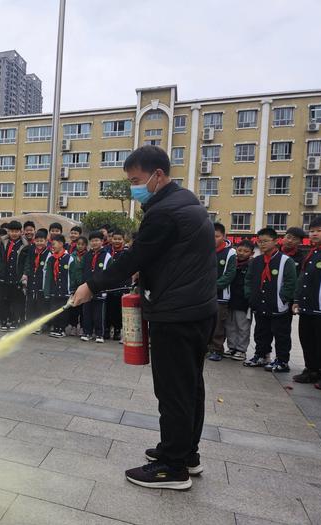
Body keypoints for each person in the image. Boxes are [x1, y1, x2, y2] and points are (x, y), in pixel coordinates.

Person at [71, 145, 217, 491]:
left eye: (137, 181)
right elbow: (167, 256)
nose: (134, 188)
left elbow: (134, 256)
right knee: (190, 386)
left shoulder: (165, 212)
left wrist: (91, 285)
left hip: (177, 313)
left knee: (174, 389)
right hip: (196, 309)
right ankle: (184, 452)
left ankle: (172, 468)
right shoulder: (185, 202)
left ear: (158, 176)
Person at [243, 227, 297, 372]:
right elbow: (248, 280)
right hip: (259, 303)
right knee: (261, 332)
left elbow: (291, 282)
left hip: (278, 305)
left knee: (281, 335)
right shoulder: (256, 261)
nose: (262, 244)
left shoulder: (286, 261)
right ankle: (260, 356)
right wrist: (250, 295)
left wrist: (283, 298)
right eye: (259, 241)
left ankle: (282, 361)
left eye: (266, 241)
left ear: (276, 241)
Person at [292, 216, 321, 390]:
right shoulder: (313, 252)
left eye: (319, 230)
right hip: (308, 305)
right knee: (307, 339)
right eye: (312, 231)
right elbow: (303, 278)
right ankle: (311, 370)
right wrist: (297, 299)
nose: (314, 234)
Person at [207, 223, 237, 361]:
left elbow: (230, 275)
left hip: (221, 297)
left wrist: (213, 286)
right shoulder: (205, 250)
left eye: (217, 236)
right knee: (205, 323)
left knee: (218, 325)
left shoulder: (230, 252)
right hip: (204, 295)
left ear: (224, 236)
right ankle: (206, 347)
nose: (213, 239)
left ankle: (217, 350)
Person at [0, 221, 29, 331]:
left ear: (20, 232)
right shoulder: (4, 243)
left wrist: (25, 274)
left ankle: (13, 321)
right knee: (3, 301)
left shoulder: (25, 245)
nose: (14, 233)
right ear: (8, 231)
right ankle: (3, 321)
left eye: (16, 231)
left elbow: (27, 262)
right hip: (4, 277)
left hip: (17, 279)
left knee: (16, 302)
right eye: (12, 231)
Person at [223, 240, 254, 361]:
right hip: (230, 300)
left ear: (251, 253)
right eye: (239, 250)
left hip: (244, 302)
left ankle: (241, 350)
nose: (241, 253)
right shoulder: (231, 263)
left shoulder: (252, 265)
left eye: (246, 251)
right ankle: (231, 347)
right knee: (230, 326)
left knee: (243, 326)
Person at [81, 231, 111, 343]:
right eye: (92, 241)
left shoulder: (106, 256)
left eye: (97, 240)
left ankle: (99, 334)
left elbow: (108, 273)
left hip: (100, 289)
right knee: (87, 312)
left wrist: (105, 288)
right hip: (87, 289)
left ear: (102, 242)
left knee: (99, 314)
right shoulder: (87, 255)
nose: (94, 243)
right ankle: (87, 332)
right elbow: (83, 271)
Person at [43, 234, 74, 338]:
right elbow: (47, 276)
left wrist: (72, 290)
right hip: (54, 290)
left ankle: (62, 329)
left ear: (61, 244)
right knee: (54, 310)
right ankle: (56, 328)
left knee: (63, 311)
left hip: (65, 291)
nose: (52, 246)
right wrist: (47, 290)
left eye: (54, 244)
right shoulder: (51, 258)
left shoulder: (69, 258)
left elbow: (72, 275)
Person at [22, 229, 50, 334]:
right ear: (34, 241)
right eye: (37, 241)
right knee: (29, 304)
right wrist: (25, 275)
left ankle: (38, 325)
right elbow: (28, 264)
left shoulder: (49, 253)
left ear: (46, 241)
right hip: (31, 282)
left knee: (40, 305)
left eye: (41, 240)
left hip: (41, 284)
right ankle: (29, 323)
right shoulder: (31, 251)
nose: (39, 243)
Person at [105, 229, 130, 341]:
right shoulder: (106, 252)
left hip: (121, 286)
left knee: (118, 310)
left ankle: (117, 330)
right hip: (108, 286)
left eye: (119, 239)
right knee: (107, 309)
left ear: (124, 240)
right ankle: (106, 329)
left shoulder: (126, 253)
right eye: (115, 239)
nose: (116, 241)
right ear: (111, 239)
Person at [67, 235, 88, 336]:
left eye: (82, 244)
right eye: (78, 244)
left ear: (86, 245)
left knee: (83, 309)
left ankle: (83, 327)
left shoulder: (88, 256)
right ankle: (73, 326)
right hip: (73, 285)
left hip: (83, 285)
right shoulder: (72, 255)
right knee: (73, 307)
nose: (80, 246)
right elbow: (70, 271)